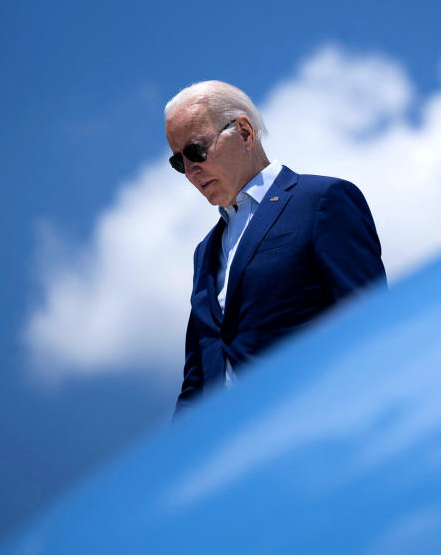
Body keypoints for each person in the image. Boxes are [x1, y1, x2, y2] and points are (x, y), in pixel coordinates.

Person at [164, 80, 386, 415]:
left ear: (244, 132)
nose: (191, 171)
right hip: (231, 452)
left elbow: (371, 324)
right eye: (179, 162)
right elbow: (196, 379)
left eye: (196, 150)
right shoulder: (205, 252)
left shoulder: (321, 201)